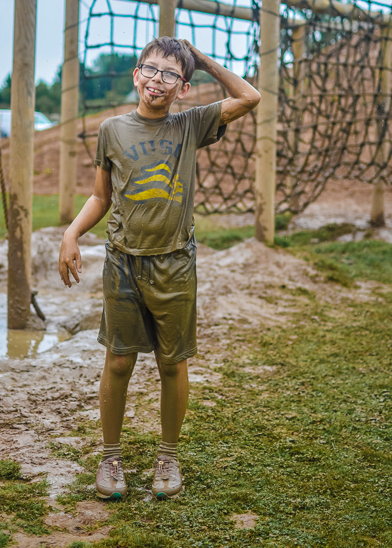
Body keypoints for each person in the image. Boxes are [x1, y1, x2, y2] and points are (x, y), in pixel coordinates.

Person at [58, 37, 260, 500]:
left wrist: (203, 61)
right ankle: (111, 458)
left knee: (172, 363)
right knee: (119, 360)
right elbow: (101, 196)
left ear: (183, 88)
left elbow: (250, 97)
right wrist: (71, 234)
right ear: (136, 74)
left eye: (171, 75)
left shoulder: (191, 125)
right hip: (122, 262)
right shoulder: (111, 129)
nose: (158, 80)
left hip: (174, 264)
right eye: (150, 70)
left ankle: (167, 456)